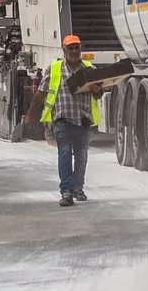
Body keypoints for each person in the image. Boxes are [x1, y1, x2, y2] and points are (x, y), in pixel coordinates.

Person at [42, 33, 104, 206]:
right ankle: (67, 192)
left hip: (83, 119)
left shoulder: (89, 69)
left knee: (82, 156)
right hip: (63, 119)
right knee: (65, 154)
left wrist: (95, 89)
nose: (74, 51)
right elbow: (41, 91)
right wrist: (32, 115)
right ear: (64, 49)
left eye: (77, 47)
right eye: (71, 48)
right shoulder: (55, 69)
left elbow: (99, 94)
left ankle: (78, 188)